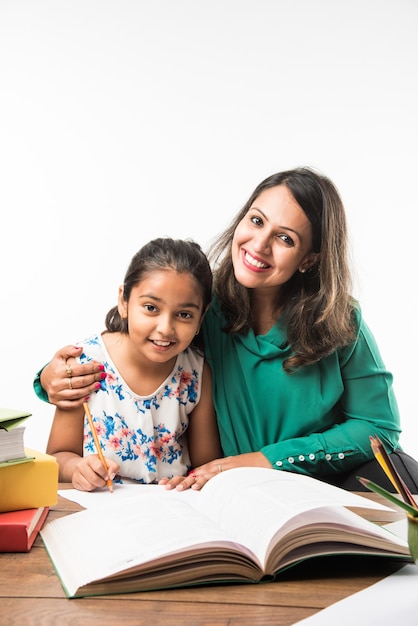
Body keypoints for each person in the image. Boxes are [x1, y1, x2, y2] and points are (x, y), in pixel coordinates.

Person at [35, 167, 418, 493]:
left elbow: (379, 430)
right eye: (256, 220)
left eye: (286, 239)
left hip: (319, 488)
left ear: (310, 259)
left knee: (404, 475)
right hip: (231, 493)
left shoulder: (339, 320)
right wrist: (50, 376)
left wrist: (265, 460)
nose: (259, 245)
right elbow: (135, 341)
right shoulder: (200, 306)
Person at [45, 237, 221, 491]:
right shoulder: (85, 365)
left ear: (201, 317)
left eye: (184, 315)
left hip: (170, 511)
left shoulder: (195, 372)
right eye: (151, 307)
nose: (165, 328)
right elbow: (57, 456)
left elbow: (206, 465)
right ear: (124, 301)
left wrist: (190, 480)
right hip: (103, 510)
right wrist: (77, 469)